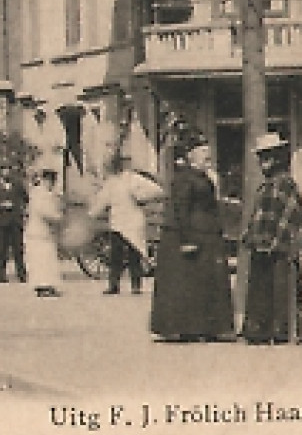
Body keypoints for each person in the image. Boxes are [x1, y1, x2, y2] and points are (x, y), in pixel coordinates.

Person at [151, 132, 235, 342]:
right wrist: (186, 240)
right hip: (193, 235)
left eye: (208, 151)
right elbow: (180, 210)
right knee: (190, 284)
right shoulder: (184, 178)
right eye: (201, 151)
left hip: (207, 235)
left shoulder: (205, 177)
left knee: (205, 282)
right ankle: (189, 328)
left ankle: (207, 327)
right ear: (190, 155)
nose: (207, 155)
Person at [240, 133, 302, 345]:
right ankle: (261, 331)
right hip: (262, 246)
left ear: (278, 158)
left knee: (281, 287)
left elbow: (289, 215)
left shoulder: (284, 183)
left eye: (269, 158)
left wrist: (277, 240)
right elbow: (260, 215)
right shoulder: (267, 184)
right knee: (262, 288)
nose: (264, 163)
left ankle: (281, 330)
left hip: (280, 248)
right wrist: (253, 236)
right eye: (262, 158)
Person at [93, 152, 165, 295]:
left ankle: (125, 285)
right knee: (125, 256)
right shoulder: (117, 181)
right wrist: (93, 212)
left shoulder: (132, 180)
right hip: (121, 223)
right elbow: (102, 201)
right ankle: (126, 285)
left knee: (127, 255)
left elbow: (157, 191)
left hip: (129, 222)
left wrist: (141, 197)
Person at [23, 167, 65, 296]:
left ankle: (48, 285)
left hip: (44, 233)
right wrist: (58, 217)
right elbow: (45, 212)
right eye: (51, 181)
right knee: (40, 260)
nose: (52, 184)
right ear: (46, 180)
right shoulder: (40, 193)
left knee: (47, 259)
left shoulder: (44, 193)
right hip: (38, 232)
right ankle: (42, 286)